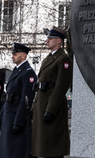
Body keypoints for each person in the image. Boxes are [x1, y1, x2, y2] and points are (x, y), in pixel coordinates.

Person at [31, 27, 73, 158]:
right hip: (42, 104)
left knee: (52, 148)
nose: (47, 40)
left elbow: (60, 87)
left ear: (59, 41)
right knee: (42, 148)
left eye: (50, 38)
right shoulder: (49, 57)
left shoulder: (63, 59)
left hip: (51, 106)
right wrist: (34, 107)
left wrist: (51, 110)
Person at [0, 43, 36, 158]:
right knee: (6, 151)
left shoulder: (28, 72)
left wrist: (18, 122)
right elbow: (8, 97)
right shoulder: (16, 70)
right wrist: (0, 118)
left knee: (15, 151)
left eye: (15, 54)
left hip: (16, 117)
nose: (12, 56)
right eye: (12, 54)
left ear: (23, 55)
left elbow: (26, 100)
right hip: (8, 115)